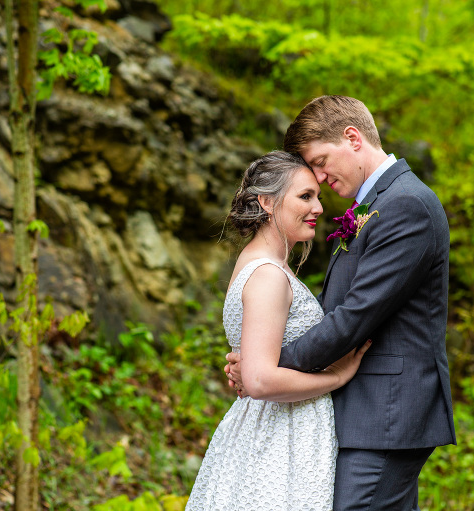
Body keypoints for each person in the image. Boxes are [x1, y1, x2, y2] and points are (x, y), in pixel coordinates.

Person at [225, 95, 456, 510]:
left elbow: (355, 316)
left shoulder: (406, 205)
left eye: (319, 160)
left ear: (352, 138)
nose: (318, 175)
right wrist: (262, 365)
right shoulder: (374, 205)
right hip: (364, 414)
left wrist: (266, 368)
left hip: (385, 414)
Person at [186, 151, 372, 510]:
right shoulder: (268, 275)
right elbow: (259, 381)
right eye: (305, 196)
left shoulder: (257, 263)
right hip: (280, 437)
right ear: (266, 202)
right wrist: (337, 377)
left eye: (317, 196)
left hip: (277, 428)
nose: (318, 207)